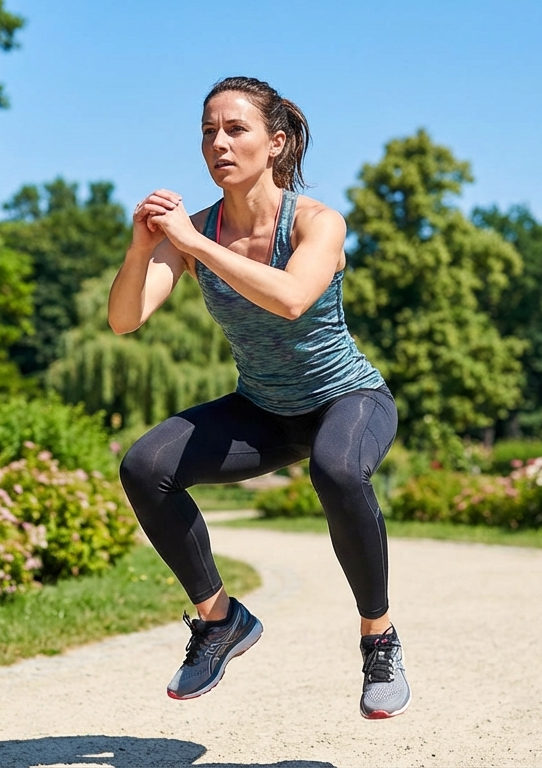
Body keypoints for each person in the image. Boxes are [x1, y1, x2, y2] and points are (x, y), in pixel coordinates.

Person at [110, 76, 407, 720]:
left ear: (274, 143)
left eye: (235, 129)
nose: (218, 143)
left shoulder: (316, 222)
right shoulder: (197, 231)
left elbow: (292, 299)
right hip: (264, 412)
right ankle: (220, 620)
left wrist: (193, 245)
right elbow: (125, 319)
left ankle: (378, 637)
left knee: (337, 470)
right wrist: (141, 248)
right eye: (208, 133)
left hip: (347, 399)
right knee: (145, 466)